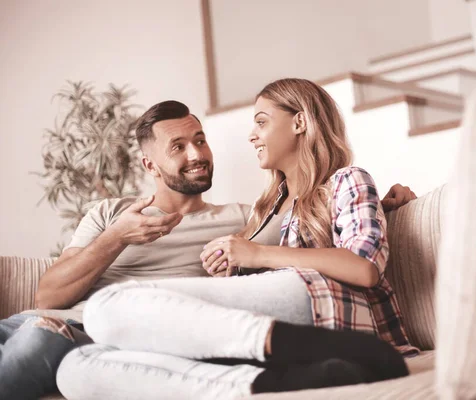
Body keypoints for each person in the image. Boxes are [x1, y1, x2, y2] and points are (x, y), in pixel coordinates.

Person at [0, 98, 415, 399]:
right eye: (178, 147)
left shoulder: (246, 219)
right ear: (149, 165)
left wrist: (383, 204)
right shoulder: (108, 214)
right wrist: (117, 237)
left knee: (45, 347)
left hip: (80, 334)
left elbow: (318, 221)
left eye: (200, 140)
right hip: (38, 319)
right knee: (69, 371)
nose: (197, 154)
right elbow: (47, 297)